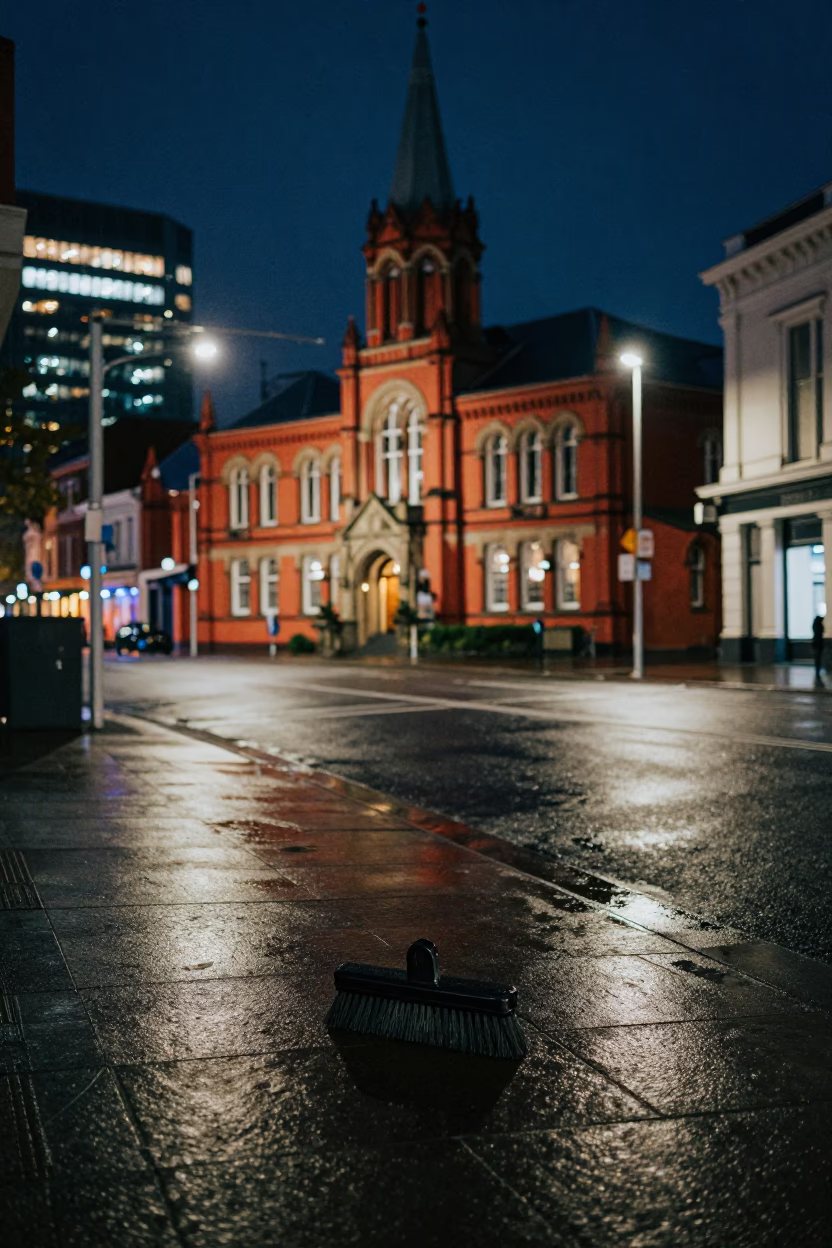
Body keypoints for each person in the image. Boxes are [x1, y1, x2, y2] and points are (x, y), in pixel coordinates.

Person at [811, 613, 825, 683]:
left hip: (817, 645)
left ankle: (817, 671)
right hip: (818, 645)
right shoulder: (818, 626)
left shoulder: (815, 626)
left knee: (817, 659)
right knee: (817, 659)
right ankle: (817, 671)